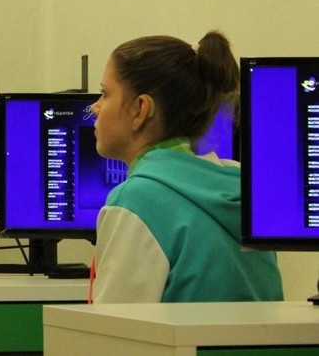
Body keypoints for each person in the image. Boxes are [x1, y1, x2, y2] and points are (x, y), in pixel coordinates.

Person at [89, 31, 283, 303]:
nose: (94, 107)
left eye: (104, 94)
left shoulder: (135, 200)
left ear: (140, 110)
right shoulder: (241, 185)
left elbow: (114, 324)